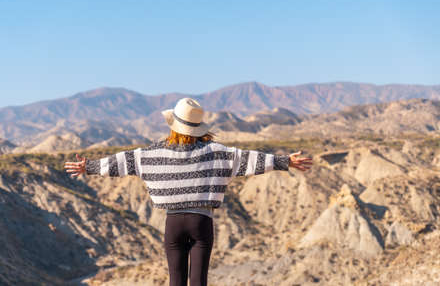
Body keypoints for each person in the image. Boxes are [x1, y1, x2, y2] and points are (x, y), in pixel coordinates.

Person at [64, 98, 312, 286]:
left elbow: (124, 161)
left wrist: (89, 167)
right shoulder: (216, 151)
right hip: (201, 222)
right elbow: (248, 160)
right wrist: (285, 161)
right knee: (198, 281)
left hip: (173, 223)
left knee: (176, 280)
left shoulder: (154, 153)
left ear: (173, 124)